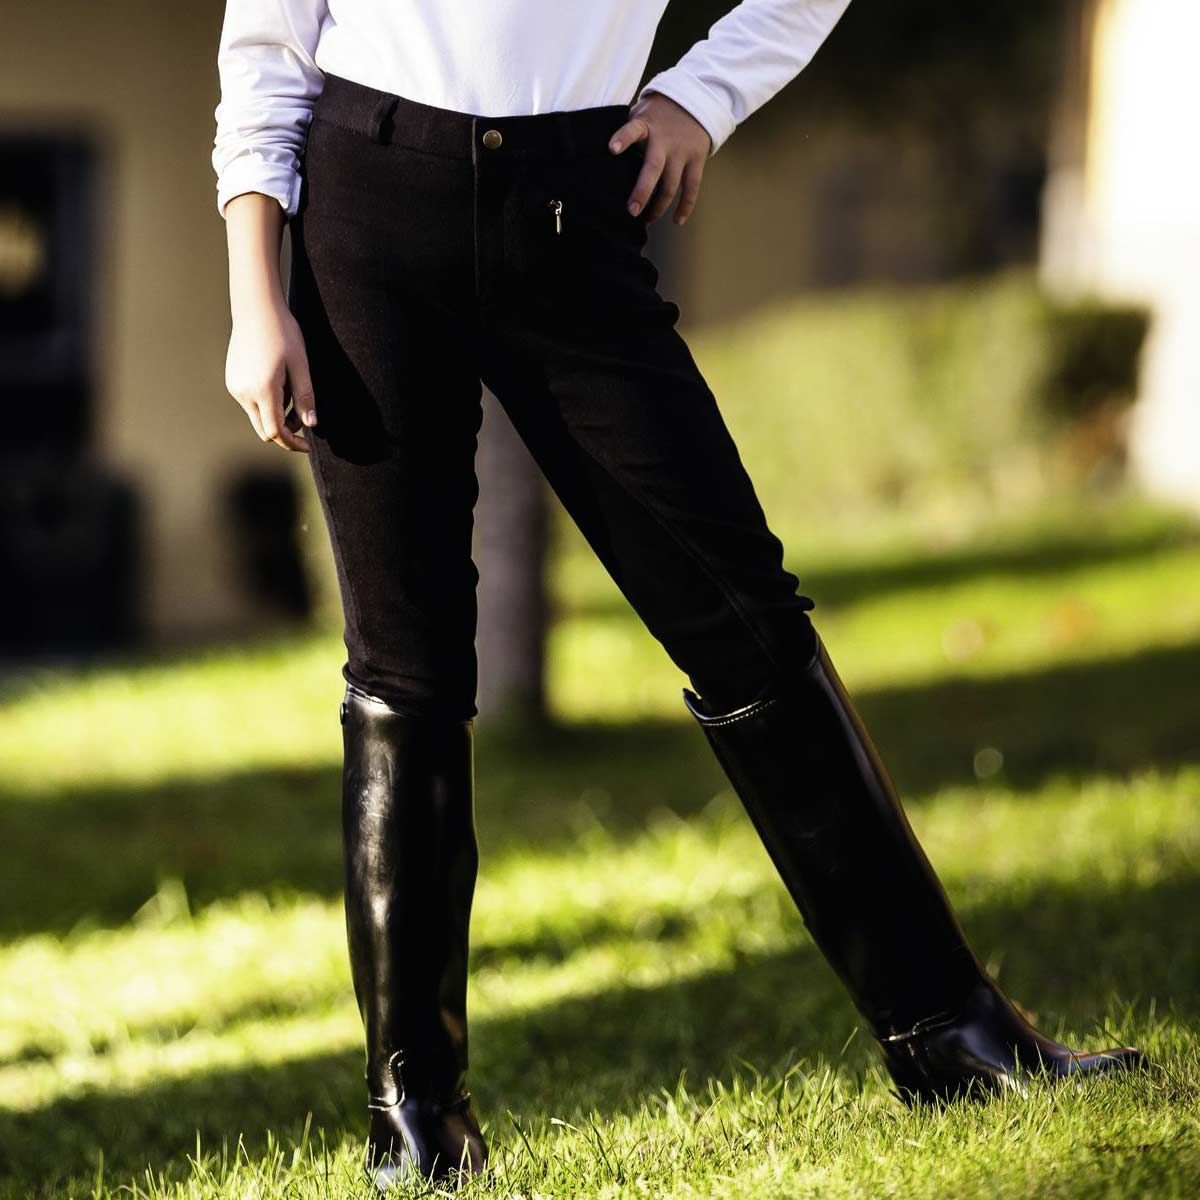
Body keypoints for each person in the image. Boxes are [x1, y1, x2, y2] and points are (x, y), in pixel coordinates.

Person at [212, 0, 1146, 1189]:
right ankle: (416, 1119)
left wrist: (704, 97)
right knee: (405, 671)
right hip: (363, 216)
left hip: (572, 208)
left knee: (746, 621)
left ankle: (949, 1036)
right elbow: (269, 43)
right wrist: (257, 297)